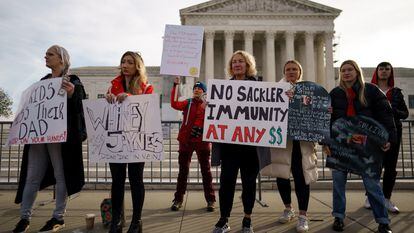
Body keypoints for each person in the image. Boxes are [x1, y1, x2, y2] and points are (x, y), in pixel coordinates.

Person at [12, 45, 86, 233]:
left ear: (61, 59)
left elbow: (80, 105)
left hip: (59, 137)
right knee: (32, 176)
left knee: (61, 175)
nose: (46, 57)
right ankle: (24, 218)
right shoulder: (42, 83)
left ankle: (58, 217)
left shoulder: (73, 81)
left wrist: (71, 94)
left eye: (50, 54)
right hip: (39, 136)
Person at [326, 60, 396, 233]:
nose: (346, 73)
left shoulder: (371, 91)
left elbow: (386, 116)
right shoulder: (335, 93)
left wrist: (389, 138)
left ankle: (382, 221)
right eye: (343, 70)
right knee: (338, 184)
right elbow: (326, 121)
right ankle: (338, 218)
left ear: (357, 72)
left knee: (372, 185)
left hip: (367, 146)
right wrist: (325, 142)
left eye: (350, 70)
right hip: (340, 145)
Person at [211, 50, 270, 233]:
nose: (237, 64)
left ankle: (247, 219)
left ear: (248, 65)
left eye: (241, 62)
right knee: (226, 183)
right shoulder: (223, 89)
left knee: (249, 184)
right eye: (234, 62)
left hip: (251, 147)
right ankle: (224, 218)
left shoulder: (259, 87)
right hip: (230, 146)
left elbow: (269, 109)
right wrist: (209, 106)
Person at [261, 60, 318, 233]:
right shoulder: (275, 90)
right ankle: (288, 208)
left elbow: (317, 113)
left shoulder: (310, 90)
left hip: (302, 143)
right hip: (282, 142)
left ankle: (303, 216)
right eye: (288, 69)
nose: (291, 72)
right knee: (282, 176)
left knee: (302, 179)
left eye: (295, 69)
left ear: (300, 72)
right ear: (284, 72)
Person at [105, 51, 153, 233]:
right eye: (123, 62)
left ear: (137, 66)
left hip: (136, 141)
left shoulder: (146, 87)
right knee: (117, 180)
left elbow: (148, 111)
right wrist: (108, 100)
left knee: (135, 180)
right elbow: (107, 111)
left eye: (130, 62)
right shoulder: (113, 85)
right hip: (116, 139)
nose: (125, 65)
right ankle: (116, 220)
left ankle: (136, 221)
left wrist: (131, 99)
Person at [367, 62, 409, 213]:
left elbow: (405, 114)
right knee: (373, 165)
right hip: (373, 132)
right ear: (376, 71)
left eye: (387, 69)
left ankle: (386, 198)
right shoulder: (369, 91)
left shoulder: (396, 92)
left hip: (392, 133)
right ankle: (370, 196)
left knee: (390, 166)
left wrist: (391, 109)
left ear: (390, 72)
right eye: (381, 69)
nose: (384, 72)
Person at [170, 77, 216, 211]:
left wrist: (208, 105)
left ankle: (211, 200)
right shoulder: (188, 103)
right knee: (183, 171)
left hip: (203, 142)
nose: (196, 90)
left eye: (199, 89)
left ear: (204, 92)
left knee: (206, 172)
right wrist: (176, 84)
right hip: (186, 141)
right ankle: (178, 199)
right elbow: (173, 104)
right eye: (195, 88)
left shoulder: (208, 105)